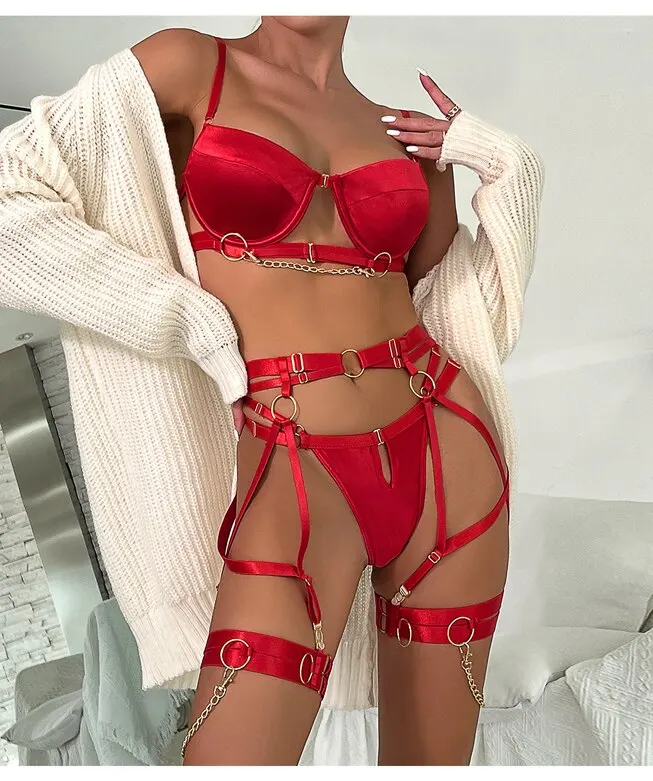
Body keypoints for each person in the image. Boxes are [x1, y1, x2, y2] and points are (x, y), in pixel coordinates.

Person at [0, 16, 543, 766]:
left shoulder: (400, 133)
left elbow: (462, 312)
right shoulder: (189, 64)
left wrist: (506, 163)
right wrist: (190, 323)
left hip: (447, 448)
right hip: (293, 460)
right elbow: (9, 204)